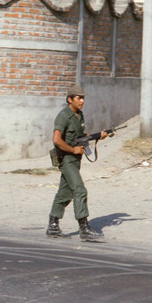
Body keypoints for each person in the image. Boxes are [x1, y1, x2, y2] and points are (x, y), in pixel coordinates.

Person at [46, 85, 107, 241]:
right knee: (79, 190)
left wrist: (96, 136)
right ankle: (84, 228)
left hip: (75, 160)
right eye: (79, 98)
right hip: (67, 160)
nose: (82, 101)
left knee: (64, 194)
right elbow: (56, 140)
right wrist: (72, 151)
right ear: (70, 99)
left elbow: (80, 137)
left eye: (83, 98)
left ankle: (53, 225)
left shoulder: (79, 115)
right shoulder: (63, 116)